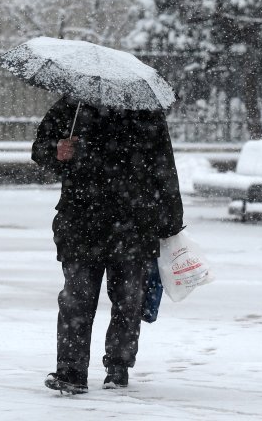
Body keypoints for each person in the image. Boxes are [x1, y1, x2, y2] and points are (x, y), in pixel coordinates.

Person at [32, 96, 184, 394]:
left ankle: (118, 366)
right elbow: (40, 149)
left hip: (132, 224)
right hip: (82, 221)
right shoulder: (73, 106)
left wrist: (171, 221)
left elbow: (164, 166)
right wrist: (56, 151)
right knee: (77, 297)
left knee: (128, 300)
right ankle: (71, 371)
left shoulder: (146, 112)